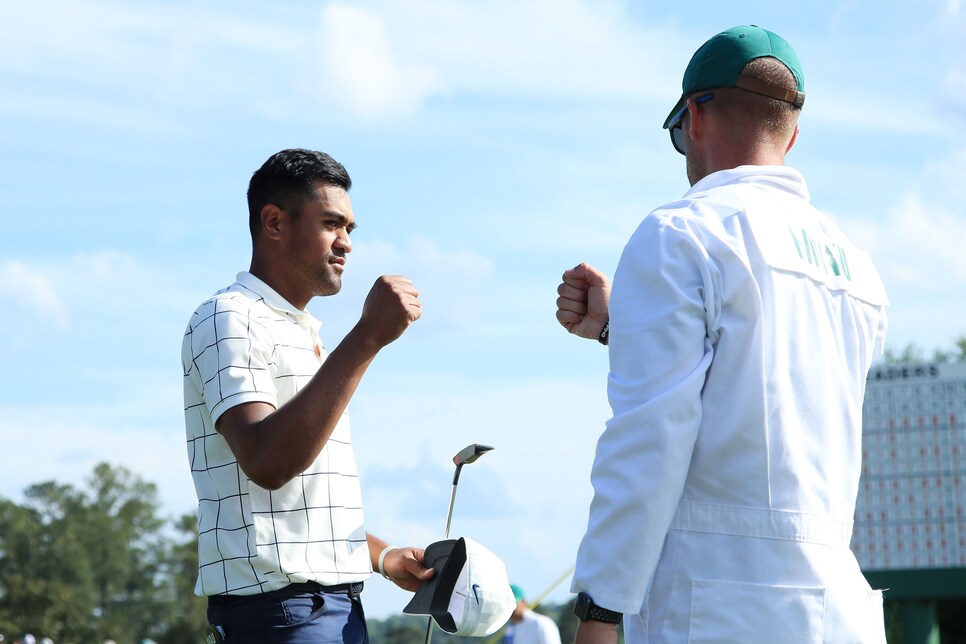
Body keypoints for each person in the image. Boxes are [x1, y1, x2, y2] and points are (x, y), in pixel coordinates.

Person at [556, 26, 889, 643]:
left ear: (694, 118)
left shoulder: (681, 233)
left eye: (678, 133)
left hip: (719, 604)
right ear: (791, 133)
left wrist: (601, 609)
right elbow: (765, 387)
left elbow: (652, 434)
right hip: (841, 607)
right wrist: (619, 329)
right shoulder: (856, 266)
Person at [181, 148, 434, 643]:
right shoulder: (228, 316)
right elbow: (268, 462)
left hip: (327, 610)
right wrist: (367, 337)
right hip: (280, 615)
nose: (346, 244)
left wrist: (382, 556)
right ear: (273, 222)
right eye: (332, 224)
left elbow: (297, 514)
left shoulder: (301, 332)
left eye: (350, 229)